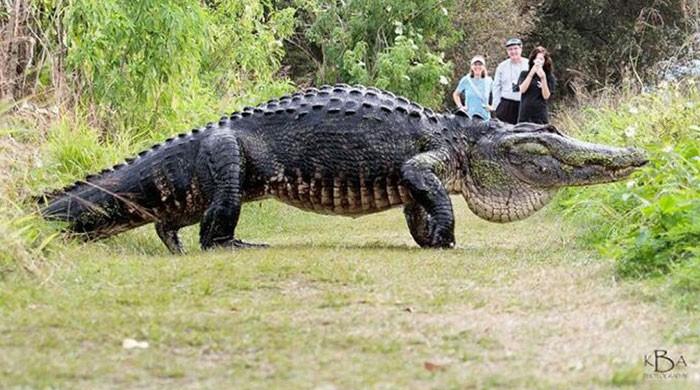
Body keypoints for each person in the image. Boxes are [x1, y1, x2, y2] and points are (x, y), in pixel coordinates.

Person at [492, 38, 529, 124]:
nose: (513, 52)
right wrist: (496, 106)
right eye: (510, 49)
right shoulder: (502, 66)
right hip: (506, 104)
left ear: (521, 49)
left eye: (515, 48)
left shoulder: (528, 64)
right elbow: (496, 87)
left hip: (524, 104)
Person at [517, 46, 556, 124]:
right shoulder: (524, 74)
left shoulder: (549, 77)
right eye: (537, 59)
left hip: (540, 114)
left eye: (541, 59)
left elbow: (546, 96)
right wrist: (531, 73)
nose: (538, 62)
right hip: (525, 114)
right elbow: (522, 89)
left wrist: (543, 78)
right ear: (533, 60)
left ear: (545, 61)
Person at [452, 55, 493, 120]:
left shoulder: (489, 81)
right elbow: (456, 94)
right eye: (475, 64)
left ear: (484, 67)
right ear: (471, 67)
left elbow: (498, 94)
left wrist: (493, 107)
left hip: (485, 119)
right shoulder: (466, 80)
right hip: (469, 118)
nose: (477, 67)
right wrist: (460, 107)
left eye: (480, 64)